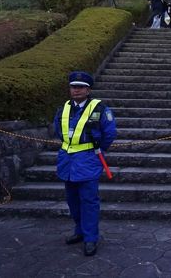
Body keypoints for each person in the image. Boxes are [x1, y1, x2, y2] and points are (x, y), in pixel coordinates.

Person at [53, 71, 117, 256]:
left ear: (88, 90)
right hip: (67, 161)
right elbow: (58, 130)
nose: (76, 90)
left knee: (89, 202)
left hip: (88, 160)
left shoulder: (99, 109)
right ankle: (79, 232)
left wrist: (96, 149)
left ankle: (90, 238)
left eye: (80, 87)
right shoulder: (64, 107)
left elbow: (109, 133)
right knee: (72, 201)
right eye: (73, 86)